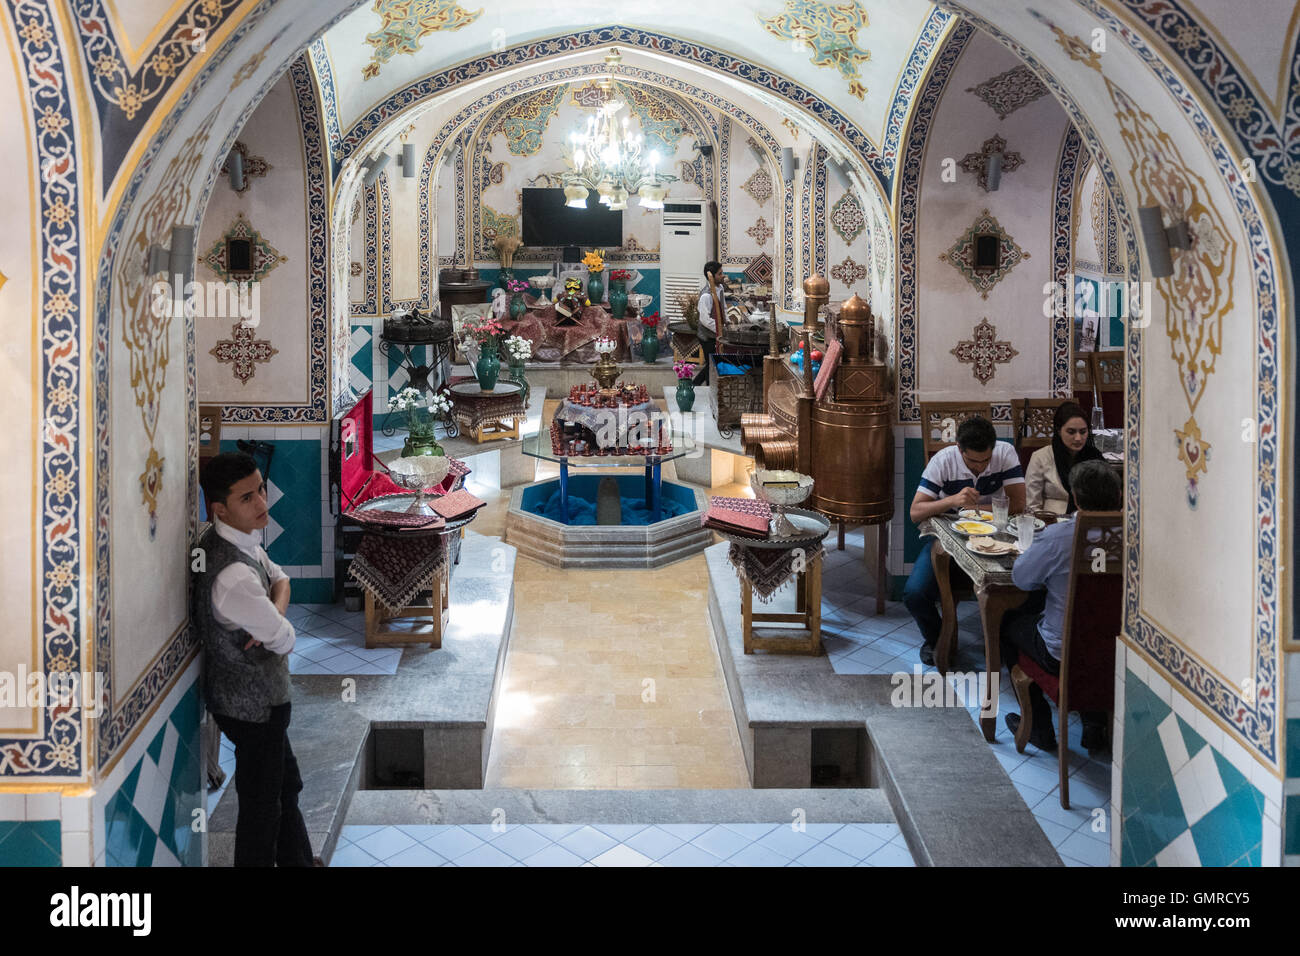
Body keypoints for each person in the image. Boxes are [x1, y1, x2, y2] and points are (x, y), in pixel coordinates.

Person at [195, 452, 313, 867]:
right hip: (254, 707)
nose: (262, 502)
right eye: (247, 498)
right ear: (220, 508)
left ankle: (299, 861)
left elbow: (281, 578)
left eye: (261, 489)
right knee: (262, 808)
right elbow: (285, 641)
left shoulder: (231, 542)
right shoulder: (234, 577)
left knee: (285, 786)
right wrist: (276, 616)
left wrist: (273, 606)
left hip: (251, 701)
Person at [1000, 459, 1122, 752]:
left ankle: (1040, 728)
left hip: (1062, 654)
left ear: (1075, 497)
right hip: (1119, 655)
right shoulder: (1136, 536)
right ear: (1119, 496)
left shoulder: (1059, 537)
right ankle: (1094, 726)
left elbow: (1022, 579)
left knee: (1007, 626)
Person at [904, 416, 1026, 666]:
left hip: (995, 539)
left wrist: (979, 507)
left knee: (1021, 584)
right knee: (914, 594)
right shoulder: (944, 460)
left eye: (986, 460)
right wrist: (952, 501)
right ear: (959, 449)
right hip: (948, 539)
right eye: (972, 461)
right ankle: (937, 639)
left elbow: (1019, 503)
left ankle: (1006, 644)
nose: (980, 467)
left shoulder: (1005, 453)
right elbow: (916, 512)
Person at [1024, 401, 1104, 515]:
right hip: (1050, 523)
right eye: (1071, 432)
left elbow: (1106, 500)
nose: (1078, 438)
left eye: (1083, 432)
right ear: (1058, 431)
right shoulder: (1041, 457)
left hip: (1088, 521)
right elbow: (1031, 506)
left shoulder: (1095, 458)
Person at [693, 261, 730, 386]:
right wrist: (720, 330)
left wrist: (728, 323)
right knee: (711, 364)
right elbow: (705, 320)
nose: (723, 276)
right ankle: (706, 388)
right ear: (712, 276)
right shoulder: (706, 296)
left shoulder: (719, 289)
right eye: (720, 274)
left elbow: (723, 308)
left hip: (716, 333)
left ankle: (695, 385)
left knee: (713, 363)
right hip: (707, 335)